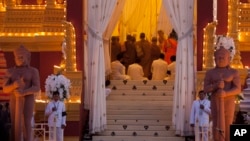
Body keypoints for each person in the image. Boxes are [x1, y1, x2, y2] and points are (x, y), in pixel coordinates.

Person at [203, 42, 241, 141]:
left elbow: (237, 89)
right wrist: (215, 86)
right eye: (218, 58)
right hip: (215, 100)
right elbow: (206, 88)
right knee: (216, 122)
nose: (220, 60)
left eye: (222, 57)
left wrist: (226, 93)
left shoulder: (233, 72)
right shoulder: (210, 73)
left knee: (228, 122)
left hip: (228, 101)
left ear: (229, 59)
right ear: (214, 59)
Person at [3, 45, 40, 141]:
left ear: (27, 58)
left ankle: (28, 139)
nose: (19, 59)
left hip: (28, 99)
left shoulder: (33, 71)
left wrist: (24, 92)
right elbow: (5, 89)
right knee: (15, 122)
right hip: (14, 99)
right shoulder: (10, 71)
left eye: (21, 57)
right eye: (17, 57)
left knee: (26, 122)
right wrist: (14, 85)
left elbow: (36, 87)